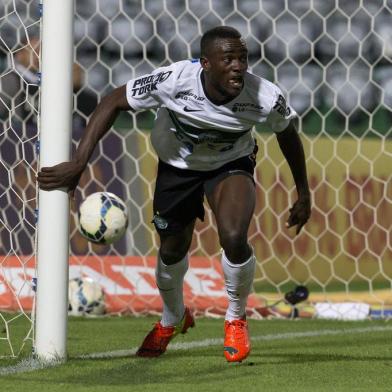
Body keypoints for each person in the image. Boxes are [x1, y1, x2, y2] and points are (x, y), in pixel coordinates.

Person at [37, 26, 311, 362]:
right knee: (171, 249)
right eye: (228, 59)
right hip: (177, 168)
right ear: (205, 64)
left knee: (234, 235)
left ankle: (236, 317)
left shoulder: (264, 95)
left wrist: (303, 192)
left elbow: (288, 134)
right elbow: (112, 101)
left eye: (242, 58)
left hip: (231, 164)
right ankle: (172, 318)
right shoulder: (174, 80)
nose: (238, 66)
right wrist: (79, 162)